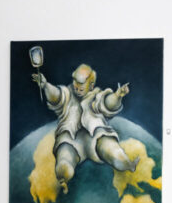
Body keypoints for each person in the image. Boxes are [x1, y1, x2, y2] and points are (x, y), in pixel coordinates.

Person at [33, 63, 138, 193]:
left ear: (91, 85)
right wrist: (45, 85)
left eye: (81, 86)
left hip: (96, 135)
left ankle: (128, 164)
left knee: (111, 149)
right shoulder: (67, 94)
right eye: (75, 83)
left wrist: (118, 95)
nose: (77, 88)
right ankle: (63, 179)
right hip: (71, 138)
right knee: (65, 158)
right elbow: (57, 97)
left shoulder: (97, 96)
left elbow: (107, 104)